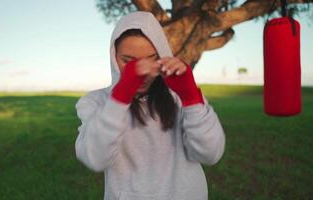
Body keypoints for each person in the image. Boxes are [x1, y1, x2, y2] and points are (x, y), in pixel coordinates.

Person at [75, 11, 225, 200]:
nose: (142, 72)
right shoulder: (96, 102)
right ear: (114, 58)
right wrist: (121, 97)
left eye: (151, 59)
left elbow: (210, 155)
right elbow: (95, 158)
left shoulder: (180, 95)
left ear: (163, 55)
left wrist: (191, 98)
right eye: (128, 62)